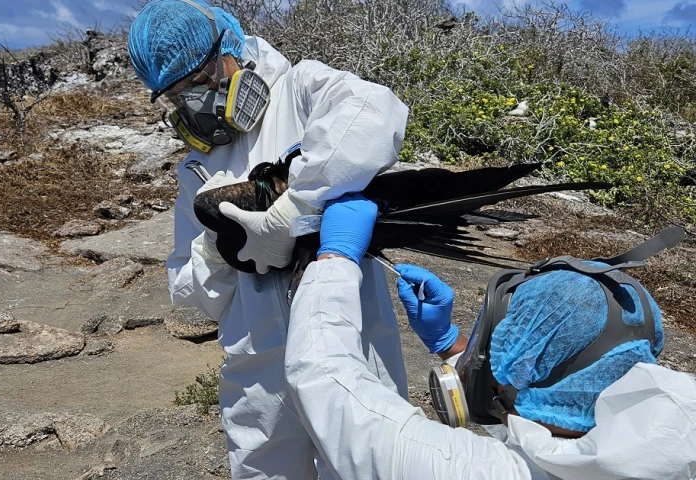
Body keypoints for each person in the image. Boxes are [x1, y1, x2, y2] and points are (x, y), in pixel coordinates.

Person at [127, 1, 410, 478]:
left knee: (368, 464)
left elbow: (375, 114)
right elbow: (184, 284)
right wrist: (221, 251)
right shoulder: (195, 169)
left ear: (229, 47)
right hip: (259, 368)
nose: (197, 101)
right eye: (177, 96)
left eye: (200, 80)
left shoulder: (301, 90)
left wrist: (295, 209)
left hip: (352, 344)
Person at [285, 193, 696, 479]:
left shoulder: (458, 469)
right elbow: (544, 435)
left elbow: (325, 378)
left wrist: (336, 258)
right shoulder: (672, 447)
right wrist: (449, 343)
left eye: (494, 340)